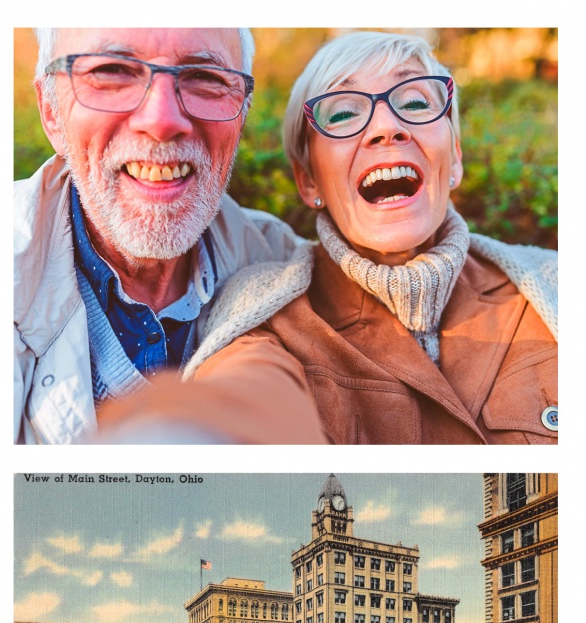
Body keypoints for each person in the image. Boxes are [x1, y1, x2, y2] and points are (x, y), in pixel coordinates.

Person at [178, 30, 557, 444]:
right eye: (342, 114)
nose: (387, 127)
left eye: (415, 103)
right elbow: (243, 402)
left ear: (456, 158)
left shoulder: (555, 286)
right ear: (308, 181)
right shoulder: (264, 317)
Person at [14, 27, 319, 444]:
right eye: (112, 72)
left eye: (205, 78)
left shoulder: (285, 266)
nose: (161, 121)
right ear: (51, 110)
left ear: (242, 112)